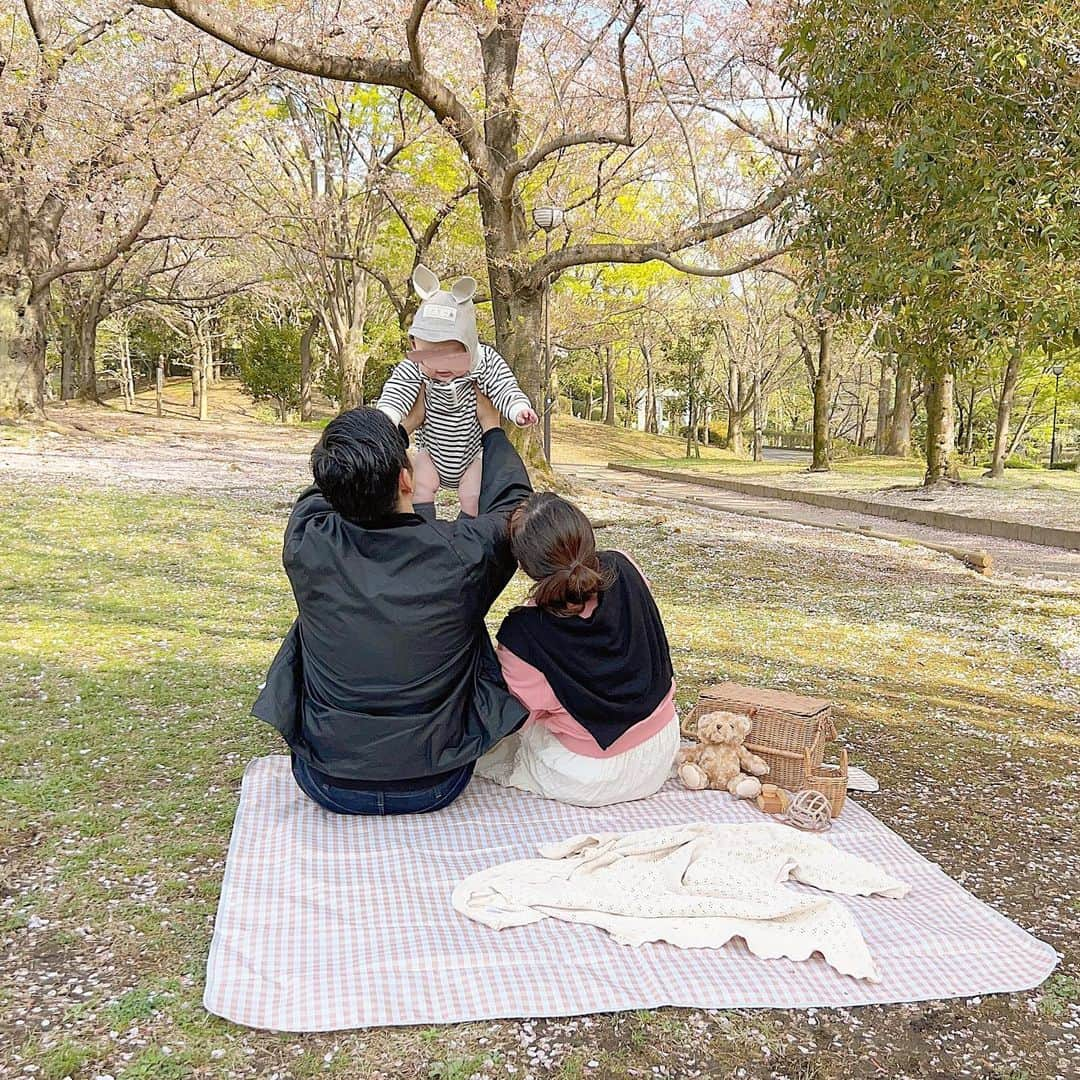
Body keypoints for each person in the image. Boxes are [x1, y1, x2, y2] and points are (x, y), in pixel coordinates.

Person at [252, 388, 533, 815]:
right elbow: (516, 507)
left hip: (327, 779)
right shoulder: (465, 552)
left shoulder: (307, 543)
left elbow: (329, 483)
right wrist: (492, 428)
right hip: (438, 779)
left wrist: (401, 429)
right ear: (406, 479)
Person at [476, 493, 680, 807]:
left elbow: (519, 716)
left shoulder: (524, 636)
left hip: (593, 775)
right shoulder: (626, 567)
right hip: (662, 745)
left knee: (500, 750)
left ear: (525, 566)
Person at [376, 265, 538, 518]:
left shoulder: (484, 363)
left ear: (469, 346)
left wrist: (518, 408)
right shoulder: (414, 367)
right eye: (430, 357)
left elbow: (504, 385)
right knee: (418, 486)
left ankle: (466, 536)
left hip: (472, 452)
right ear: (415, 345)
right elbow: (398, 390)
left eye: (452, 357)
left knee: (472, 497)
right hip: (432, 449)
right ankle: (424, 531)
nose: (441, 367)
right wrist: (387, 417)